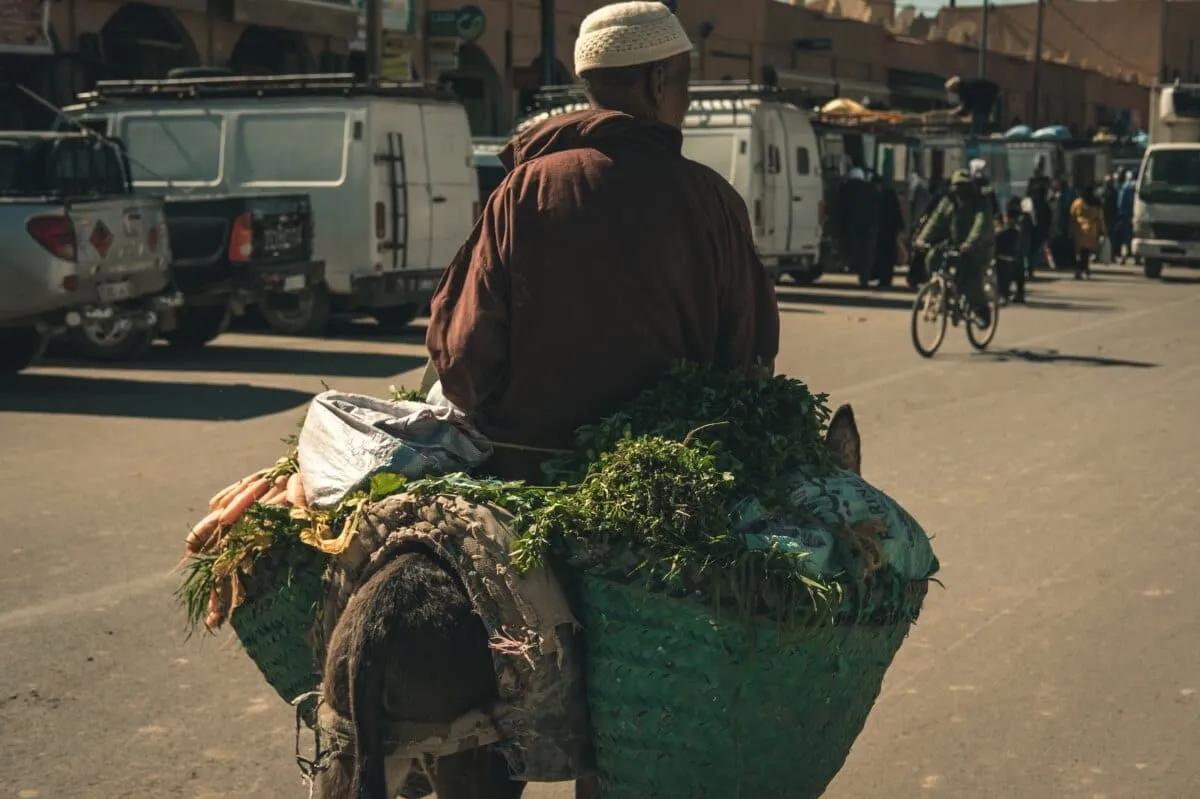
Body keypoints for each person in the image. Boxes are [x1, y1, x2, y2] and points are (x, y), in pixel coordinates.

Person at [426, 1, 779, 482]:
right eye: (684, 84)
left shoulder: (521, 190)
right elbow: (751, 362)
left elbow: (465, 355)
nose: (688, 100)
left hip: (530, 471)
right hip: (673, 482)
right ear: (658, 82)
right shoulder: (712, 199)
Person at [914, 168, 996, 324]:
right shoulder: (948, 202)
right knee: (932, 257)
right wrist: (922, 239)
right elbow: (935, 221)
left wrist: (970, 243)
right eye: (957, 186)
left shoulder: (980, 202)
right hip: (953, 244)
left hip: (978, 247)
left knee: (969, 276)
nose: (959, 190)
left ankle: (980, 310)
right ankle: (938, 291)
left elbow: (980, 224)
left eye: (963, 186)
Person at [838, 166, 880, 287]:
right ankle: (864, 276)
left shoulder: (845, 189)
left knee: (854, 248)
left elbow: (840, 209)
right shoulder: (871, 189)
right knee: (867, 251)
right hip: (870, 225)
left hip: (852, 224)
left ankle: (853, 267)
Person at [995, 196, 1031, 303]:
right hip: (1017, 253)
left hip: (1007, 255)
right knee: (1018, 273)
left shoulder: (1011, 227)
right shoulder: (1024, 220)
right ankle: (1018, 294)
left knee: (1004, 275)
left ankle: (1005, 294)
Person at [873, 173, 905, 289]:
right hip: (889, 231)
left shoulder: (882, 196)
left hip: (887, 231)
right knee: (887, 257)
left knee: (886, 257)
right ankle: (885, 279)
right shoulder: (888, 195)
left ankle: (885, 279)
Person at [1070, 185, 1106, 279]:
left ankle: (1079, 270)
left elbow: (1072, 215)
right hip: (1091, 230)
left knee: (1079, 253)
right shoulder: (1096, 203)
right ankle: (1085, 269)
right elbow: (1100, 218)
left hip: (1079, 230)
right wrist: (1102, 230)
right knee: (1086, 252)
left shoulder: (1077, 203)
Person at [1048, 178, 1078, 271]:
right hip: (1063, 223)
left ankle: (1063, 262)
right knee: (1065, 243)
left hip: (1063, 223)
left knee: (1063, 243)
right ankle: (1066, 262)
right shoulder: (1068, 193)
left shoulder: (1063, 195)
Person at [1116, 169, 1136, 264]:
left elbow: (1121, 203)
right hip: (1135, 215)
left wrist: (1120, 214)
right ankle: (1137, 257)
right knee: (1133, 236)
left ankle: (1124, 257)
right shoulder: (1135, 186)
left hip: (1126, 216)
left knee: (1125, 238)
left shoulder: (1124, 187)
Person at [1101, 174, 1119, 262]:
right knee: (1104, 236)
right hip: (1105, 217)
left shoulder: (1114, 192)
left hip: (1111, 217)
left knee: (1111, 237)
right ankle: (1103, 255)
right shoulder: (1104, 192)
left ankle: (1112, 255)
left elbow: (1116, 205)